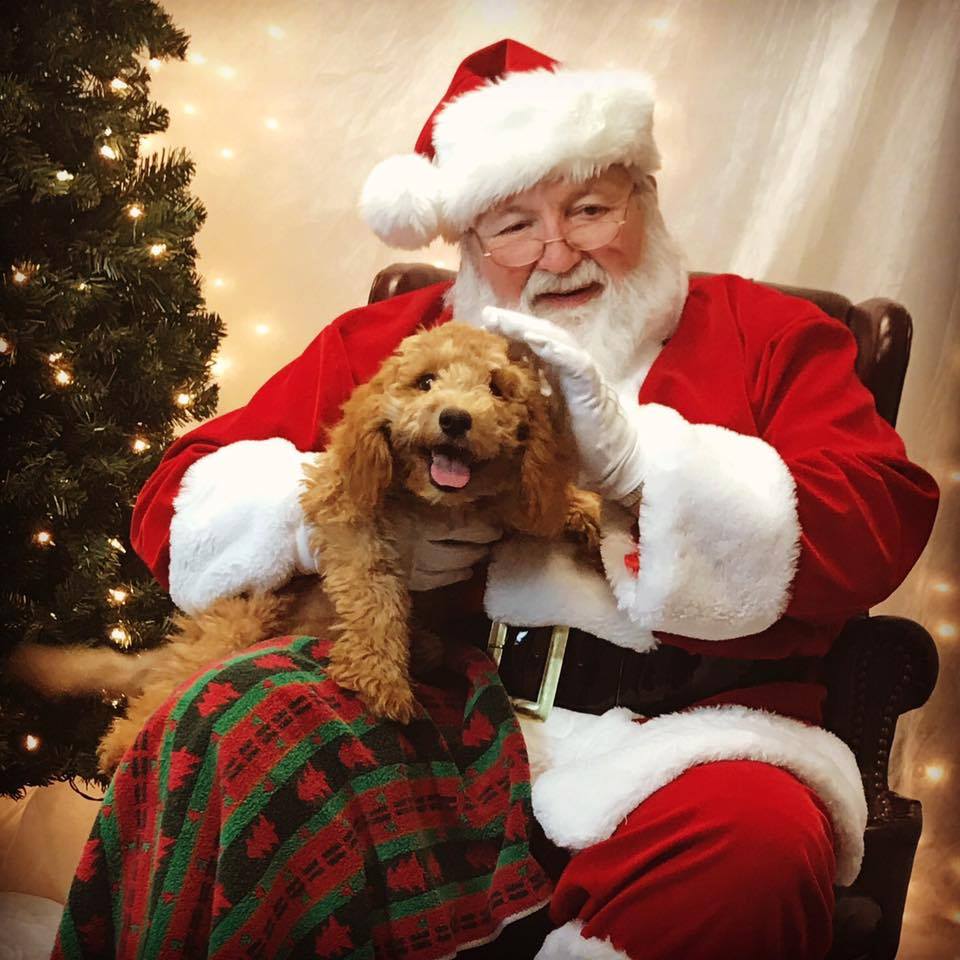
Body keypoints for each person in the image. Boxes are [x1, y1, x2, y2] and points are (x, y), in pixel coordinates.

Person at [56, 39, 938, 960]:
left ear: (646, 197)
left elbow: (878, 517)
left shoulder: (769, 333)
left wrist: (644, 470)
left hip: (680, 736)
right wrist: (341, 529)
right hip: (431, 707)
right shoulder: (395, 341)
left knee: (752, 854)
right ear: (469, 243)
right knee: (232, 724)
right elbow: (178, 498)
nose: (556, 251)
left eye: (590, 208)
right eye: (513, 225)